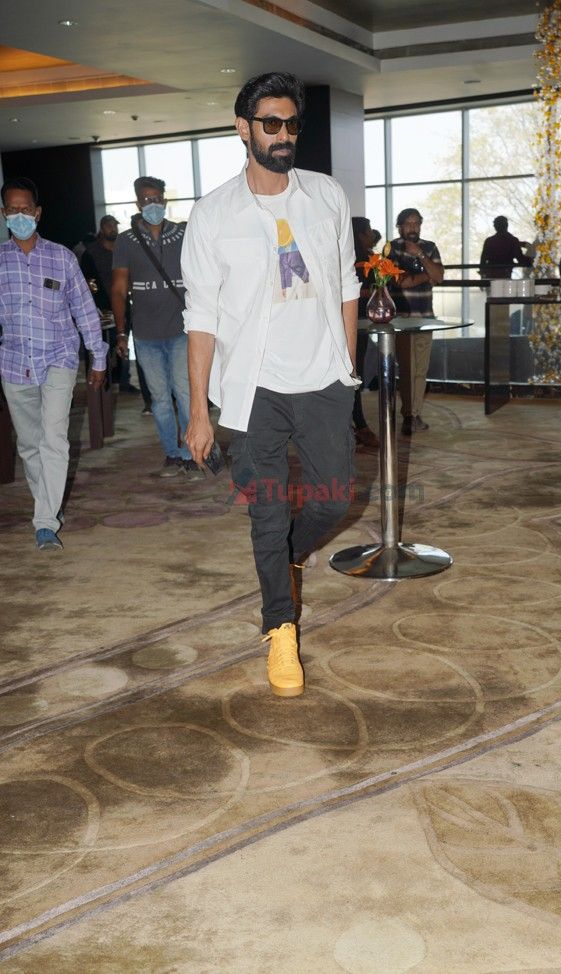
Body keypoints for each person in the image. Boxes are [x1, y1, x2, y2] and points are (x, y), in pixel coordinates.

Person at [182, 71, 360, 698]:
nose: (284, 135)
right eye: (271, 124)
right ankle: (279, 629)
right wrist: (200, 412)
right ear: (244, 128)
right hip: (252, 385)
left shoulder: (326, 196)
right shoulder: (213, 215)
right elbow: (201, 318)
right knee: (266, 509)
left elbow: (347, 286)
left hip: (323, 377)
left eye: (291, 124)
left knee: (334, 500)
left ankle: (285, 556)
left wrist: (347, 366)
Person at [0, 177, 107, 550]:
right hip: (14, 364)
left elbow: (84, 309)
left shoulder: (61, 257)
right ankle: (48, 503)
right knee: (29, 445)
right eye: (13, 210)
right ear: (4, 213)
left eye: (26, 209)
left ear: (38, 212)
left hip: (58, 357)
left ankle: (45, 523)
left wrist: (98, 356)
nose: (20, 215)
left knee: (54, 439)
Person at [111, 176, 212, 479]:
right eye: (146, 200)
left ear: (164, 201)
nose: (152, 204)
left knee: (185, 393)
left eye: (157, 199)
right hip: (146, 335)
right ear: (137, 203)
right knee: (159, 400)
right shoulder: (126, 241)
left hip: (182, 331)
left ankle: (192, 453)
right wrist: (121, 333)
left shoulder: (183, 234)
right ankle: (171, 453)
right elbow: (118, 289)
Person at [387, 208, 444, 435]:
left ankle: (415, 415)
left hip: (425, 317)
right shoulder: (391, 249)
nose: (413, 227)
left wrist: (420, 255)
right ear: (400, 226)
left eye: (416, 223)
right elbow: (401, 282)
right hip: (401, 320)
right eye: (408, 223)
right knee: (406, 369)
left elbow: (439, 276)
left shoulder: (429, 247)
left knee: (421, 370)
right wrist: (427, 275)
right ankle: (407, 414)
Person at [80, 215, 137, 393]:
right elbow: (86, 281)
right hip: (101, 308)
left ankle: (124, 381)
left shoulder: (122, 249)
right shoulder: (91, 252)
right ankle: (101, 383)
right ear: (102, 228)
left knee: (123, 341)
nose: (113, 228)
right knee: (102, 345)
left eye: (115, 225)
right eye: (109, 225)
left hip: (123, 304)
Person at [351, 216, 379, 449]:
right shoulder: (356, 261)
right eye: (369, 230)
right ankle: (359, 425)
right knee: (354, 374)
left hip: (361, 322)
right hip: (354, 323)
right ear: (360, 234)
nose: (372, 234)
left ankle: (356, 425)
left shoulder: (367, 259)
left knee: (356, 374)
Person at [479, 215, 532, 280]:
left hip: (491, 275)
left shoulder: (489, 241)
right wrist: (532, 260)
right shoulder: (513, 240)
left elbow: (483, 260)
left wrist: (482, 276)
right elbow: (520, 259)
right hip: (506, 274)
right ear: (506, 225)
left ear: (495, 227)